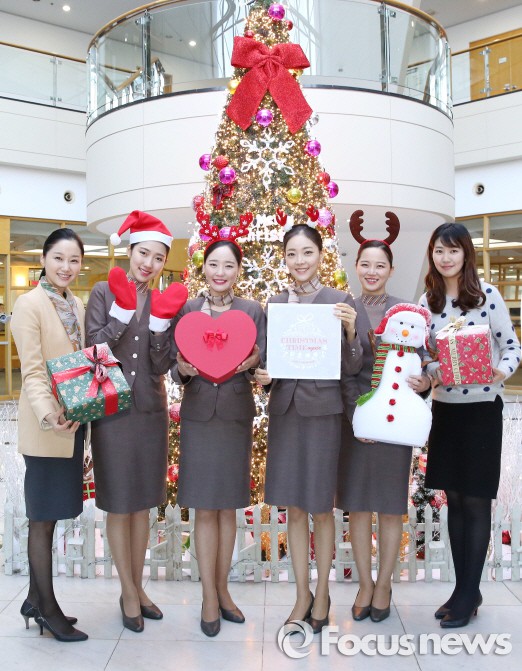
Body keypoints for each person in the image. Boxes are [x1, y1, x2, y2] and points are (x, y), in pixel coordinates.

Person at [255, 224, 362, 634]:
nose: (299, 261)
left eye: (307, 252)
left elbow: (353, 366)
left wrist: (350, 331)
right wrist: (264, 376)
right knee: (294, 508)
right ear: (284, 258)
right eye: (292, 254)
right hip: (286, 412)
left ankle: (322, 591)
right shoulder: (275, 304)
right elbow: (268, 359)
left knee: (320, 507)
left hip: (322, 414)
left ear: (320, 255)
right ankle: (301, 594)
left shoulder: (339, 302)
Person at [85, 211, 187, 633]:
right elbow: (93, 348)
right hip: (111, 410)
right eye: (143, 253)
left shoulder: (165, 302)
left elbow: (163, 365)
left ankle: (139, 588)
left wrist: (162, 328)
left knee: (143, 503)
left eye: (158, 258)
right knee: (119, 502)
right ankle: (128, 591)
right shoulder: (102, 291)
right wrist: (121, 315)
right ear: (130, 251)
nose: (149, 263)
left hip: (150, 411)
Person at [420, 222, 520, 628]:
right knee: (454, 500)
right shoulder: (427, 302)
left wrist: (500, 371)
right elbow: (422, 355)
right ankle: (465, 591)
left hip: (481, 410)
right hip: (446, 410)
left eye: (453, 250)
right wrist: (434, 371)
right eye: (439, 251)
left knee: (476, 500)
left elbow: (513, 346)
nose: (446, 258)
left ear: (466, 254)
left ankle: (467, 594)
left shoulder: (487, 296)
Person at [171, 235, 266, 637]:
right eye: (214, 264)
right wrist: (182, 371)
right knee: (204, 509)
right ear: (204, 268)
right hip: (198, 417)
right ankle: (208, 596)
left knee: (228, 508)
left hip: (234, 416)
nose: (220, 272)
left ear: (238, 270)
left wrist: (256, 361)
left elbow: (262, 359)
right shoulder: (189, 310)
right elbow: (176, 363)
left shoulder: (252, 310)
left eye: (229, 265)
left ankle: (224, 590)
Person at [336, 226, 430, 623]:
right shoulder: (345, 308)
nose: (371, 271)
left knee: (391, 509)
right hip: (356, 421)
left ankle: (385, 585)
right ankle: (364, 584)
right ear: (356, 267)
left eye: (380, 265)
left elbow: (424, 360)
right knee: (358, 508)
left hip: (395, 424)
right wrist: (356, 417)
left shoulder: (407, 311)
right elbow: (340, 370)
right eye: (365, 264)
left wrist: (426, 383)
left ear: (391, 269)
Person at [11, 227, 88, 642]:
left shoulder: (75, 304)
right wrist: (49, 415)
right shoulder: (29, 304)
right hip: (47, 428)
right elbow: (33, 370)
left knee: (53, 515)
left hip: (72, 424)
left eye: (74, 260)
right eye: (58, 258)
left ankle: (32, 599)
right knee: (41, 519)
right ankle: (47, 608)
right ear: (43, 260)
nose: (66, 267)